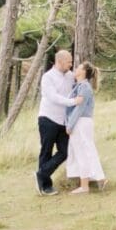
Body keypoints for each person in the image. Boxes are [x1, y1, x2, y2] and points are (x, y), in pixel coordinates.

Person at [35, 49, 79, 196]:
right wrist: (72, 102)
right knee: (46, 151)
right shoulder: (48, 77)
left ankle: (41, 173)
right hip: (48, 118)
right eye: (69, 62)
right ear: (60, 61)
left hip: (63, 121)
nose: (71, 64)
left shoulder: (71, 76)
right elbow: (53, 97)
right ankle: (45, 186)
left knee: (65, 151)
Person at [65, 60, 107, 194]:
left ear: (83, 72)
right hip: (82, 122)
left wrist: (70, 124)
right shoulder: (80, 86)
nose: (75, 69)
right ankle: (91, 182)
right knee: (83, 151)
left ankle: (90, 183)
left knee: (83, 151)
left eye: (78, 67)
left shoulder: (84, 87)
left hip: (81, 122)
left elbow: (80, 108)